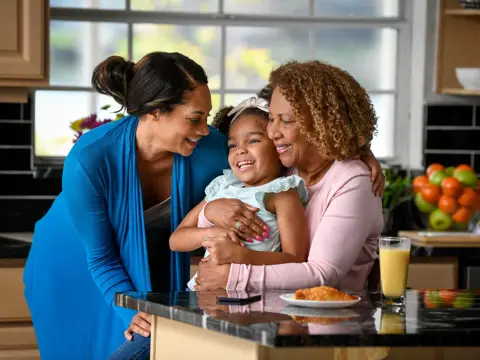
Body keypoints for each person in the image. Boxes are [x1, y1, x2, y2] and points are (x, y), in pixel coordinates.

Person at [22, 51, 265, 360]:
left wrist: (210, 210)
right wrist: (131, 311)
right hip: (70, 264)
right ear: (155, 112)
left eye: (206, 116)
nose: (205, 130)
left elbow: (257, 185)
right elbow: (101, 257)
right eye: (194, 118)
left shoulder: (211, 152)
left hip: (144, 263)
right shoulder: (91, 158)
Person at [195, 60, 384, 293]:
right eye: (272, 119)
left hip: (333, 323)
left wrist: (234, 276)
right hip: (276, 320)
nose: (272, 132)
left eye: (286, 121)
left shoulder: (353, 181)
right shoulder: (287, 169)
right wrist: (209, 211)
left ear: (322, 123)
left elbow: (323, 274)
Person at [168, 96, 310, 291]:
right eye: (233, 145)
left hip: (251, 302)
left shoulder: (281, 193)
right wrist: (214, 233)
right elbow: (176, 240)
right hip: (201, 294)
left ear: (276, 147)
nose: (240, 151)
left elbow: (295, 259)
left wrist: (241, 256)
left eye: (253, 140)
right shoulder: (222, 186)